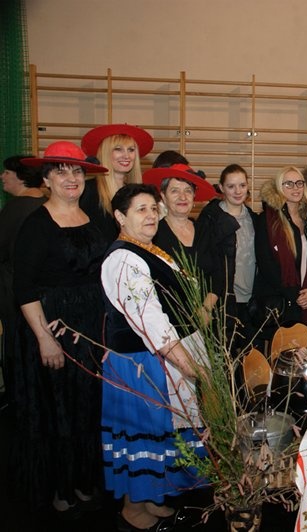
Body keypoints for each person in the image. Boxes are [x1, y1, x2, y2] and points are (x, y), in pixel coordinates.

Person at [101, 184, 206, 531]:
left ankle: (150, 499)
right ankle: (133, 511)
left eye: (152, 209)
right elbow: (151, 323)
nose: (150, 216)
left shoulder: (148, 250)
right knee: (143, 436)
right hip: (141, 364)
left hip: (160, 358)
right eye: (140, 210)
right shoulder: (124, 259)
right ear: (120, 217)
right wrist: (192, 368)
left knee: (160, 436)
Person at [12, 142, 109, 517]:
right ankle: (59, 485)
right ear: (47, 180)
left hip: (91, 328)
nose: (71, 178)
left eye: (77, 171)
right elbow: (24, 288)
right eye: (61, 171)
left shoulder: (91, 218)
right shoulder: (36, 225)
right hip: (54, 328)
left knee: (88, 406)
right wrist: (44, 339)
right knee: (58, 410)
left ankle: (84, 478)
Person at [143, 163, 222, 316]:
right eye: (175, 191)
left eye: (188, 191)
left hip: (208, 316)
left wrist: (205, 309)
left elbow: (218, 275)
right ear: (163, 196)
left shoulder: (206, 230)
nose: (183, 197)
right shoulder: (153, 234)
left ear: (194, 196)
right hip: (167, 318)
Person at [254, 166, 307, 328]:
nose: (295, 188)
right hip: (279, 302)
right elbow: (266, 263)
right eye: (289, 184)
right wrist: (294, 295)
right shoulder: (267, 220)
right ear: (279, 187)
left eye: (299, 183)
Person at [198, 164, 259, 349]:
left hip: (250, 302)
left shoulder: (254, 219)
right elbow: (203, 262)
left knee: (250, 359)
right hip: (221, 302)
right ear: (221, 188)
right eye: (231, 186)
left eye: (242, 185)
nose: (238, 191)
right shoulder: (210, 218)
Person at [0, 156, 46, 388]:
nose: (2, 177)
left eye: (7, 172)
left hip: (13, 290)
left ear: (20, 176)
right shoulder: (46, 204)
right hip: (43, 291)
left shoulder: (15, 208)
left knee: (17, 345)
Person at [80, 124, 154, 242]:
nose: (126, 156)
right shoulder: (87, 191)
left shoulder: (137, 194)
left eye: (131, 150)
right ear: (105, 153)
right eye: (118, 149)